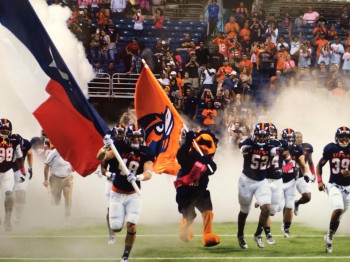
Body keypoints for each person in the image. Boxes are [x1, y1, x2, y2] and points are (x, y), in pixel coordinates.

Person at [97, 124, 155, 262]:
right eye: (133, 137)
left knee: (132, 224)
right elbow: (100, 157)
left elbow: (148, 172)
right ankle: (116, 226)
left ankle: (125, 256)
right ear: (127, 137)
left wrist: (138, 177)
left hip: (133, 193)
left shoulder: (146, 151)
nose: (136, 139)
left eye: (138, 137)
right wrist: (105, 146)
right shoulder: (120, 146)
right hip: (116, 192)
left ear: (142, 138)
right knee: (116, 227)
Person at [175, 129, 220, 247]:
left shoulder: (209, 161)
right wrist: (188, 142)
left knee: (208, 212)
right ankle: (185, 228)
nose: (204, 147)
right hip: (186, 191)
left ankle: (208, 234)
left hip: (200, 191)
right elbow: (181, 158)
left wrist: (206, 161)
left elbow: (212, 170)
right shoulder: (189, 156)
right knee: (189, 216)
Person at [237, 123, 276, 249]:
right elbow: (242, 147)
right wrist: (245, 149)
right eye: (259, 135)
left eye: (264, 136)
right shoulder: (248, 142)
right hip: (246, 180)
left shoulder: (272, 144)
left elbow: (279, 149)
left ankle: (258, 234)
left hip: (261, 181)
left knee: (266, 208)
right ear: (254, 134)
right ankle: (240, 235)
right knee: (244, 211)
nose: (261, 138)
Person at [316, 126, 350, 254]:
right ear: (337, 137)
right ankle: (329, 239)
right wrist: (319, 180)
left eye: (347, 137)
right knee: (338, 208)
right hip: (333, 184)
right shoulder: (331, 148)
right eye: (342, 136)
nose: (344, 139)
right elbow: (320, 165)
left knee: (339, 215)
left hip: (348, 187)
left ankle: (330, 234)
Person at [280, 128, 310, 238]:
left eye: (290, 138)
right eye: (286, 138)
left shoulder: (297, 149)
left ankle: (286, 229)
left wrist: (306, 173)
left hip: (291, 179)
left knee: (289, 205)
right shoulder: (277, 147)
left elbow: (302, 163)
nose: (288, 140)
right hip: (276, 180)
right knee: (276, 207)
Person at [101, 123, 126, 245]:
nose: (121, 135)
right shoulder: (110, 148)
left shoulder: (128, 147)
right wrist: (111, 175)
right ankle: (111, 235)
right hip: (112, 182)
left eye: (122, 132)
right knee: (110, 210)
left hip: (125, 182)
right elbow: (103, 169)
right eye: (119, 132)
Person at [0, 118, 26, 231]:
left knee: (9, 195)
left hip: (7, 171)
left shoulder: (15, 139)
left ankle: (7, 220)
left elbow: (19, 157)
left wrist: (22, 171)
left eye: (6, 130)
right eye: (2, 130)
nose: (4, 132)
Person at [43, 147, 74, 220]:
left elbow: (74, 165)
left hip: (67, 178)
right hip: (55, 179)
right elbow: (46, 165)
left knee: (68, 198)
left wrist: (73, 167)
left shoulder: (71, 152)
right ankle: (53, 214)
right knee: (56, 201)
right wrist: (46, 179)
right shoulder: (54, 153)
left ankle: (67, 217)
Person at [294, 131, 316, 216]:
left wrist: (313, 174)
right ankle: (263, 202)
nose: (299, 139)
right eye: (297, 137)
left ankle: (297, 203)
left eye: (300, 137)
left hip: (301, 176)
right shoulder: (289, 147)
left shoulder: (307, 147)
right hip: (289, 177)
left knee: (307, 197)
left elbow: (310, 162)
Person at [12, 137, 33, 224]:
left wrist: (30, 167)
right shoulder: (4, 143)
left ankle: (18, 217)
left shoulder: (26, 144)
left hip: (19, 171)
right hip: (4, 171)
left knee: (21, 195)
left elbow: (30, 153)